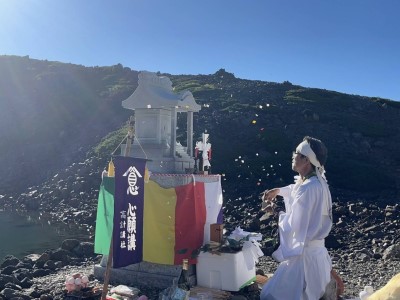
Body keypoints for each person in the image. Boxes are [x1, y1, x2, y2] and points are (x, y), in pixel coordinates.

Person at [260, 136, 333, 300]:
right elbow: (296, 189)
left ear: (306, 160)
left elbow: (295, 226)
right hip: (317, 255)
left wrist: (275, 211)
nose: (293, 156)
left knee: (270, 296)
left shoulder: (308, 188)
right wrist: (278, 191)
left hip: (303, 258)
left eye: (297, 153)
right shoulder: (318, 183)